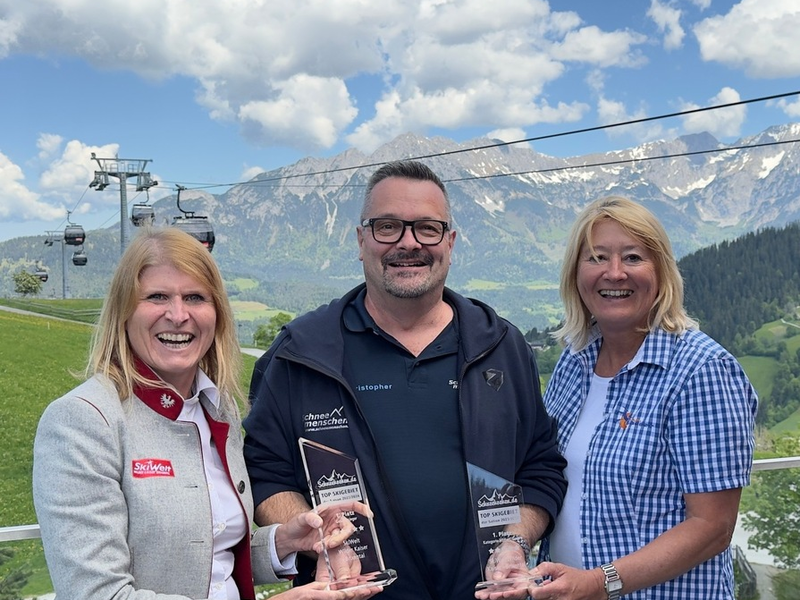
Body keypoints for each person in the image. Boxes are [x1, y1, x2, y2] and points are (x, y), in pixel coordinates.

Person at [243, 160, 567, 600]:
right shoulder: (302, 352)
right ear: (361, 240)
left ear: (450, 242)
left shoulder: (501, 346)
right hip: (353, 593)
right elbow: (266, 470)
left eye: (427, 228)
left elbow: (540, 465)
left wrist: (515, 540)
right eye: (387, 226)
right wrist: (318, 538)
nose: (408, 243)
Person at [32, 227, 382, 600]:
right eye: (157, 297)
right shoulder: (82, 421)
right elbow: (95, 593)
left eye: (195, 297)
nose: (178, 315)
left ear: (216, 314)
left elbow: (208, 558)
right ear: (124, 311)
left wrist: (286, 541)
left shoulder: (218, 409)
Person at [522, 196, 757, 599]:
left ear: (661, 272)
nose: (614, 274)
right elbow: (550, 473)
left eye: (633, 257)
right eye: (596, 258)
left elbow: (711, 528)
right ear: (576, 273)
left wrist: (599, 583)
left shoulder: (701, 371)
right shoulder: (574, 360)